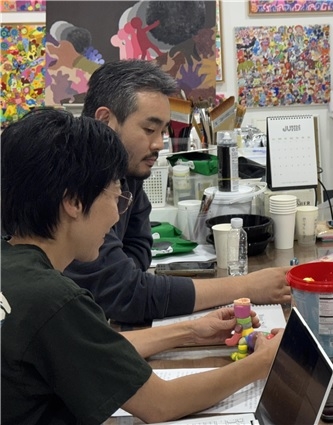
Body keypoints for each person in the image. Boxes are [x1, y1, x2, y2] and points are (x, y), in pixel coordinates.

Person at [1, 109, 282, 424]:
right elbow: (161, 404)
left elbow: (94, 350)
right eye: (114, 197)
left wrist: (191, 332)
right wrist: (265, 361)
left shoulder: (13, 268)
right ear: (74, 202)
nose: (115, 216)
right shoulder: (54, 300)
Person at [64, 59, 291, 324]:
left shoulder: (127, 170)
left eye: (163, 131)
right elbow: (126, 294)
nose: (159, 144)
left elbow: (139, 246)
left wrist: (129, 280)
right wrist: (245, 287)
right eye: (149, 129)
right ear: (106, 120)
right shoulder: (76, 182)